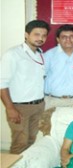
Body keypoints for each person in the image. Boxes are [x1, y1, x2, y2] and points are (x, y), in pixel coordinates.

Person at [0, 20, 50, 154]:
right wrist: (10, 108)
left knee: (31, 140)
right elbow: (2, 84)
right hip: (19, 107)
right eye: (36, 34)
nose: (40, 38)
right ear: (26, 35)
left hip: (38, 105)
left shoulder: (40, 54)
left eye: (44, 35)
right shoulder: (13, 54)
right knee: (19, 142)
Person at [44, 24, 73, 110]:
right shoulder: (48, 55)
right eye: (64, 37)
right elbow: (42, 77)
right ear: (58, 39)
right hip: (53, 100)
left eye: (71, 36)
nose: (68, 40)